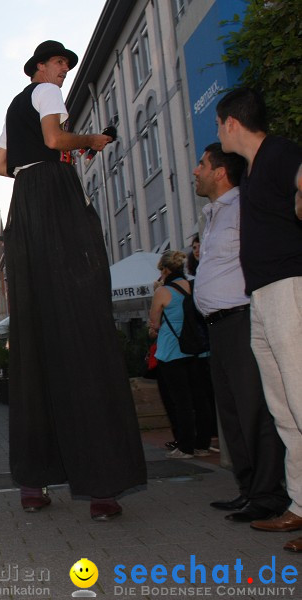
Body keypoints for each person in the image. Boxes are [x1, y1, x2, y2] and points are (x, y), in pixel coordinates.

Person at [0, 40, 146, 520]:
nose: (64, 73)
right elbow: (57, 141)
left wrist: (48, 160)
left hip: (25, 209)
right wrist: (90, 142)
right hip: (56, 205)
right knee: (82, 328)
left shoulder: (14, 106)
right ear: (41, 66)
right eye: (60, 64)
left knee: (33, 335)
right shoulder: (46, 94)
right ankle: (102, 487)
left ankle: (33, 483)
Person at [214, 88, 302, 551]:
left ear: (231, 123)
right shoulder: (250, 171)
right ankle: (300, 507)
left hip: (290, 288)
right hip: (262, 296)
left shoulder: (280, 152)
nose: (217, 132)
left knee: (301, 402)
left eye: (216, 124)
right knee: (285, 411)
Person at [192, 142, 289, 523]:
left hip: (242, 319)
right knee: (231, 413)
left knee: (255, 411)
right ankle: (248, 489)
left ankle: (268, 495)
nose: (196, 171)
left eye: (202, 164)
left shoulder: (244, 207)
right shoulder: (214, 214)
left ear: (219, 172)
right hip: (217, 327)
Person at [148, 250, 214, 459]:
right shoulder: (193, 287)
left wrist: (158, 290)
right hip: (197, 350)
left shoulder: (163, 291)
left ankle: (185, 447)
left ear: (165, 270)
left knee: (181, 401)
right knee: (200, 398)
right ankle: (202, 444)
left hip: (172, 352)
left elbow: (154, 324)